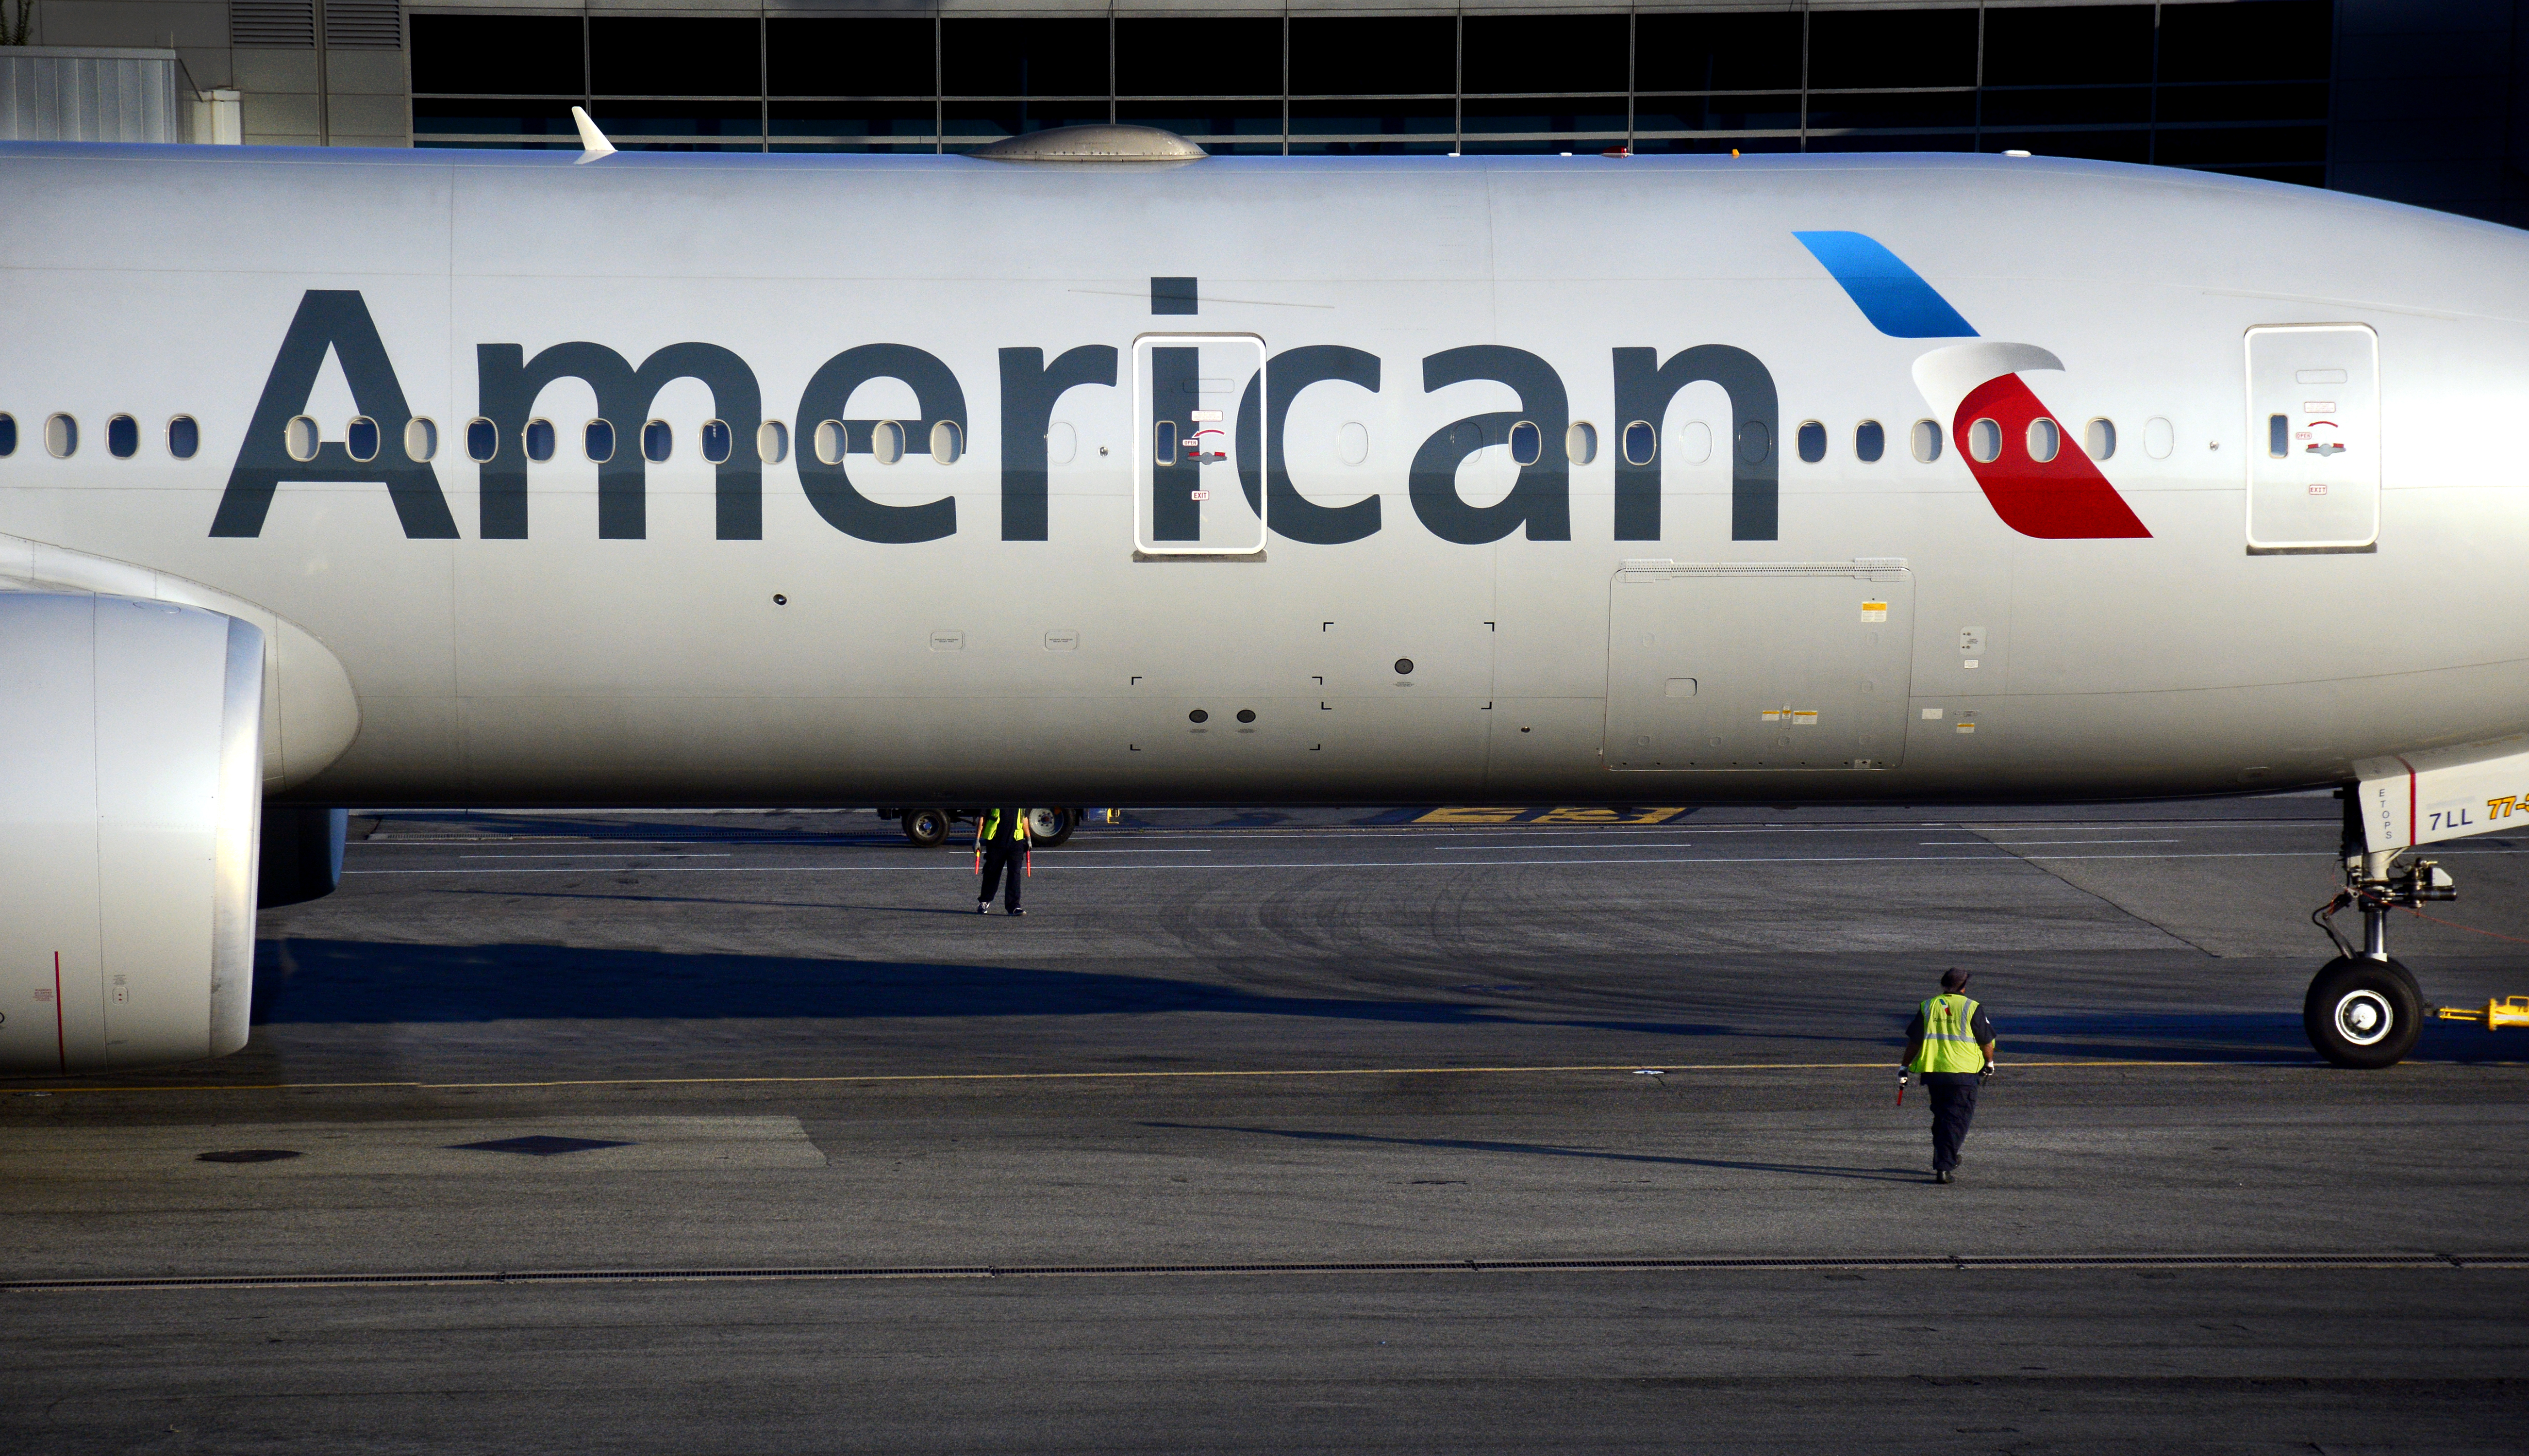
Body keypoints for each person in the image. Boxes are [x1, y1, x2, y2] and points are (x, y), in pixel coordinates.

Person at [1900, 968, 1997, 1184]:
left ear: (1943, 985)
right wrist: (1989, 1063)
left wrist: (1904, 1067)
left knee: (1942, 1118)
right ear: (1964, 987)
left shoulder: (1928, 1006)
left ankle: (1945, 1158)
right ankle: (1945, 1166)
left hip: (1935, 1073)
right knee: (1957, 1120)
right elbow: (1986, 1041)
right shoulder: (1972, 1007)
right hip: (1963, 1073)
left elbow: (1914, 1041)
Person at [974, 807, 1030, 915]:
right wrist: (977, 840)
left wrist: (1028, 838)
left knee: (1015, 873)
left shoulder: (1020, 800)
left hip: (1016, 842)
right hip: (996, 842)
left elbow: (1024, 818)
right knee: (992, 872)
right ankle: (985, 901)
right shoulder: (994, 797)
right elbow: (982, 818)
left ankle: (1014, 906)